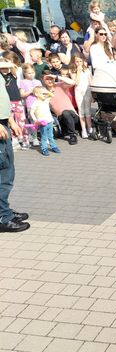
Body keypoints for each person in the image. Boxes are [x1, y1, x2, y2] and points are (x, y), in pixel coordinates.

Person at [0, 60, 29, 233]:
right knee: (3, 175)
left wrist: (10, 121)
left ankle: (5, 211)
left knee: (7, 172)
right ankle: (3, 217)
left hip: (4, 122)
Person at [41, 70, 79, 145]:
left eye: (51, 78)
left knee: (66, 113)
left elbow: (73, 82)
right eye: (47, 79)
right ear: (42, 80)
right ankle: (65, 130)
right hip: (60, 118)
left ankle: (72, 136)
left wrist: (56, 77)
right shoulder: (43, 91)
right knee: (64, 114)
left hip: (73, 116)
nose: (50, 81)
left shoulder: (60, 85)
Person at [0, 55, 29, 150]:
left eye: (5, 67)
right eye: (2, 67)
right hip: (8, 103)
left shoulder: (12, 75)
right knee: (11, 123)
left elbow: (14, 67)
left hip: (17, 102)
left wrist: (7, 62)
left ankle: (25, 140)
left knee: (21, 122)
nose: (4, 69)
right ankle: (15, 141)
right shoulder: (1, 77)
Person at [29, 86, 60, 156]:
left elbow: (52, 95)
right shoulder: (35, 103)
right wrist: (35, 120)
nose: (45, 95)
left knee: (51, 136)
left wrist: (46, 92)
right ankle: (44, 148)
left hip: (50, 121)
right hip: (42, 123)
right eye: (43, 94)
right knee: (44, 136)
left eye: (45, 94)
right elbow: (31, 112)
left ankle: (54, 146)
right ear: (36, 94)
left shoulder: (46, 100)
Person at [69, 53, 93, 139]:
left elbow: (91, 81)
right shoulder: (72, 71)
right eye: (77, 61)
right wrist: (78, 71)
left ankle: (89, 127)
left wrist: (93, 94)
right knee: (81, 110)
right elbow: (76, 82)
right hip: (79, 91)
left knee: (88, 110)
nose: (79, 63)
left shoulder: (87, 70)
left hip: (87, 91)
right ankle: (83, 129)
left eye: (80, 61)